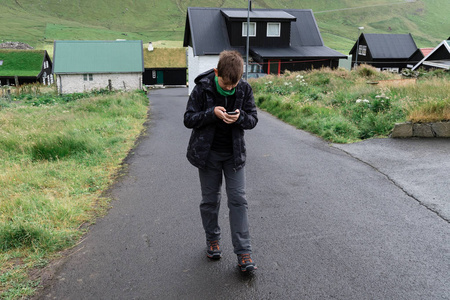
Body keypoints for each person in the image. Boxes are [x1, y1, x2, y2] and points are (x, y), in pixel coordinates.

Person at [184, 50, 258, 272]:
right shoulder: (202, 88)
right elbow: (188, 119)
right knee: (210, 201)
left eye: (233, 85)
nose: (229, 88)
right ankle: (213, 240)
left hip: (234, 156)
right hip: (208, 156)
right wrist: (211, 113)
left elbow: (253, 119)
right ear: (217, 73)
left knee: (238, 201)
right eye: (226, 84)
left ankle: (244, 254)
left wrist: (240, 118)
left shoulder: (244, 88)